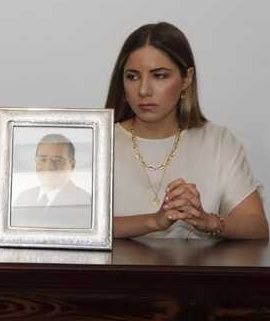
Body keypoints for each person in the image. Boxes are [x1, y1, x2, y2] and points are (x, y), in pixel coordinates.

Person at [105, 22, 267, 239]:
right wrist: (153, 221)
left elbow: (257, 228)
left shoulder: (217, 141)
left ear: (186, 79)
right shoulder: (100, 141)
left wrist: (208, 220)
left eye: (159, 75)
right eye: (132, 76)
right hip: (114, 274)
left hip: (198, 273)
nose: (144, 90)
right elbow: (75, 228)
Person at [11, 133, 92, 228]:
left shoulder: (85, 202)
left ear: (72, 165)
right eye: (42, 159)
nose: (49, 166)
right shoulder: (24, 198)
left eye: (57, 160)